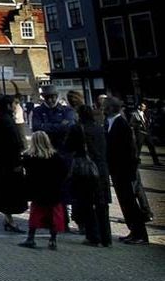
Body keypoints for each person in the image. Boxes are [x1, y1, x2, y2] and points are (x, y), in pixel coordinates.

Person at [104, 97, 149, 245]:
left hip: (124, 170)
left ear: (111, 108)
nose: (103, 109)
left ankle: (140, 234)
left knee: (130, 203)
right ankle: (133, 231)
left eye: (105, 106)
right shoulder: (110, 122)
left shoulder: (121, 124)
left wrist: (131, 171)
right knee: (125, 202)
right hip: (117, 170)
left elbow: (130, 150)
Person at [66, 105, 112, 247]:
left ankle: (93, 236)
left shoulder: (77, 128)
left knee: (86, 204)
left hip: (85, 170)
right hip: (101, 169)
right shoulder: (99, 128)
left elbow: (68, 146)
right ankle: (106, 238)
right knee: (102, 205)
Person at [18, 131, 69, 250]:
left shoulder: (30, 158)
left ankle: (31, 238)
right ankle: (53, 240)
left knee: (36, 214)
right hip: (54, 190)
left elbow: (24, 171)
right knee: (54, 216)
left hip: (38, 191)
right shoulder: (57, 157)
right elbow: (65, 172)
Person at [0, 95, 28, 232]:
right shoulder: (7, 121)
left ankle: (8, 219)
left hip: (1, 162)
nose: (16, 106)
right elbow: (15, 143)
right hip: (9, 164)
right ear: (8, 106)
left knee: (5, 192)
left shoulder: (1, 119)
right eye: (14, 104)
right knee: (9, 193)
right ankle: (10, 220)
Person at [31, 86, 76, 151]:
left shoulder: (67, 110)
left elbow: (69, 126)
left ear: (57, 97)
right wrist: (60, 125)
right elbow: (36, 128)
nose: (49, 100)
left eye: (52, 97)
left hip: (63, 148)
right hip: (45, 149)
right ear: (43, 98)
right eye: (47, 97)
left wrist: (44, 125)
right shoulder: (37, 111)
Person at [130, 101, 160, 166]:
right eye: (143, 106)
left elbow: (148, 121)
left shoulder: (145, 113)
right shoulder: (134, 114)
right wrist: (138, 125)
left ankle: (156, 162)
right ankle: (136, 161)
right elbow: (131, 123)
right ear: (139, 106)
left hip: (147, 133)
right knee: (138, 148)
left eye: (145, 107)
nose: (144, 108)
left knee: (151, 147)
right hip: (140, 133)